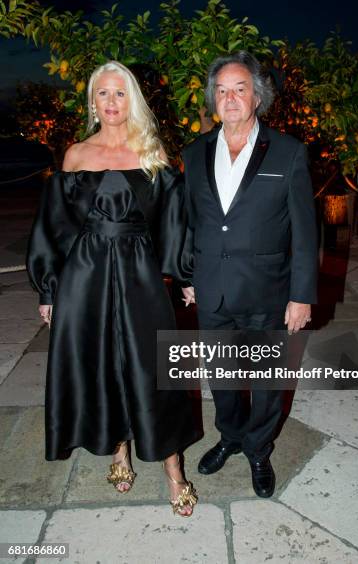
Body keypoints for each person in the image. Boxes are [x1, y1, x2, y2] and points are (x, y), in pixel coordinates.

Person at [26, 60, 200, 516]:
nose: (111, 103)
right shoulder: (75, 155)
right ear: (92, 101)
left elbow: (174, 222)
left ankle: (173, 469)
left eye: (120, 93)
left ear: (133, 100)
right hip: (86, 275)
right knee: (102, 362)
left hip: (140, 273)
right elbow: (55, 228)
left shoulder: (153, 154)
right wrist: (49, 290)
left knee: (156, 368)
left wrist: (184, 276)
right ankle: (120, 451)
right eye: (102, 94)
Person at [182, 51, 317, 498]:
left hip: (269, 293)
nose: (230, 97)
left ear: (257, 95)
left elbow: (304, 229)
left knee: (265, 383)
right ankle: (231, 437)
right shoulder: (194, 152)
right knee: (220, 376)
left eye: (240, 88)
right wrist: (186, 274)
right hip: (212, 290)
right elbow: (190, 220)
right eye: (221, 90)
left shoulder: (288, 151)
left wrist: (302, 295)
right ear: (213, 99)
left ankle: (259, 449)